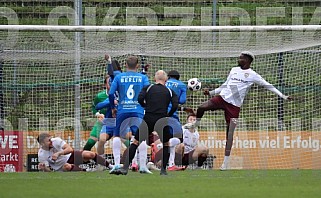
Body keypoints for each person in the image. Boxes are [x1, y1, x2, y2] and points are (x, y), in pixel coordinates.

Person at [188, 51, 292, 171]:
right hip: (222, 98)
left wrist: (283, 96)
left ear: (247, 60)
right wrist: (211, 93)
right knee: (201, 107)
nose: (239, 59)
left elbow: (268, 85)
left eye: (241, 58)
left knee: (230, 134)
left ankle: (225, 163)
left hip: (234, 106)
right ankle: (196, 125)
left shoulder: (253, 75)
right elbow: (226, 85)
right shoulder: (234, 70)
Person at [115, 70, 178, 176]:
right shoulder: (170, 91)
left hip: (148, 118)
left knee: (135, 142)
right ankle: (163, 170)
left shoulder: (148, 88)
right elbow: (175, 105)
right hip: (162, 119)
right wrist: (169, 114)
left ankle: (125, 168)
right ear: (166, 79)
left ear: (155, 79)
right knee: (166, 144)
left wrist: (146, 106)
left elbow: (140, 98)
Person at [108, 55, 150, 172]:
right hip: (138, 110)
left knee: (117, 135)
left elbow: (111, 93)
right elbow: (148, 92)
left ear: (125, 65)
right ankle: (142, 166)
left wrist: (113, 108)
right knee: (140, 137)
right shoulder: (143, 78)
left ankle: (116, 164)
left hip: (122, 110)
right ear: (137, 66)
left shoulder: (118, 77)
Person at [83, 55, 121, 151]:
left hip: (117, 121)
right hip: (103, 121)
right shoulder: (100, 96)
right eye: (109, 83)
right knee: (92, 141)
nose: (111, 84)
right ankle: (82, 157)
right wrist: (98, 114)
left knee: (128, 141)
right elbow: (95, 107)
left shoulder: (120, 94)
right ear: (105, 84)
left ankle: (130, 161)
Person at [37, 133, 112, 172]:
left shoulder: (55, 140)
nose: (51, 141)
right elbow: (49, 172)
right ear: (42, 144)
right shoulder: (41, 154)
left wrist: (58, 153)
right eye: (48, 141)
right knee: (67, 166)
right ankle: (86, 170)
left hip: (70, 156)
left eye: (50, 139)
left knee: (90, 154)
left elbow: (70, 149)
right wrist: (44, 168)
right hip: (61, 167)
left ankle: (111, 167)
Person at [164, 70, 187, 171]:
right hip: (172, 114)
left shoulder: (163, 83)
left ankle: (171, 164)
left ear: (168, 77)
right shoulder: (181, 85)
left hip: (159, 113)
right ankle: (162, 145)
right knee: (179, 138)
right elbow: (182, 101)